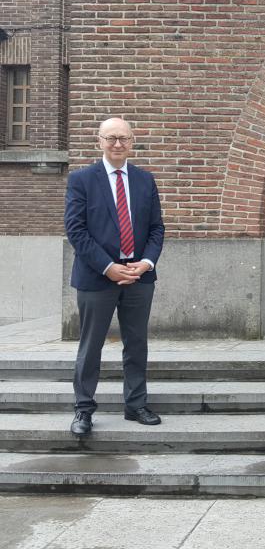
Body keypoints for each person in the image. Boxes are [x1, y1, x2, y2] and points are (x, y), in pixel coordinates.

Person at [64, 117, 165, 438]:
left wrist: (146, 263)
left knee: (136, 344)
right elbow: (76, 231)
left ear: (133, 141)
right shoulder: (81, 180)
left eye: (123, 138)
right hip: (97, 277)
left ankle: (136, 405)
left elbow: (156, 228)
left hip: (139, 277)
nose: (118, 144)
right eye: (111, 138)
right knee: (91, 345)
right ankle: (83, 408)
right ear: (99, 141)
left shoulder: (145, 180)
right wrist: (109, 267)